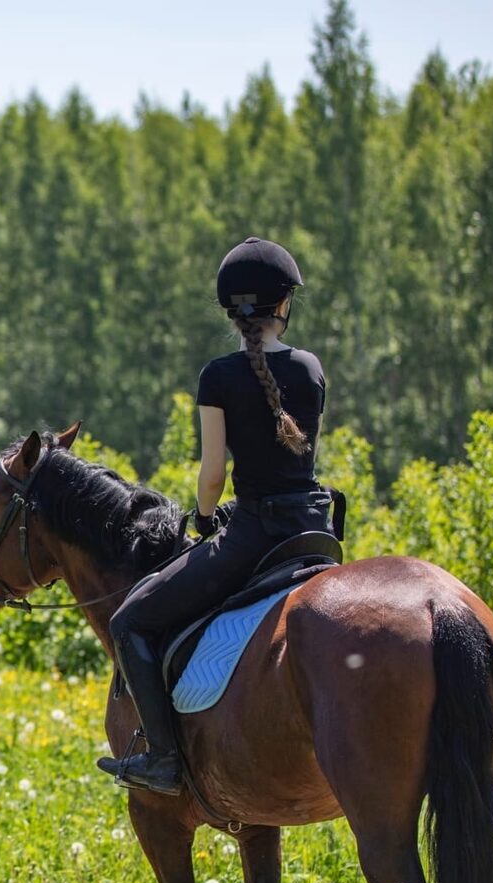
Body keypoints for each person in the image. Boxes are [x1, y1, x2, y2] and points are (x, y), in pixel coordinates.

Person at [97, 238, 334, 795]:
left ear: (231, 311)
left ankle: (163, 760)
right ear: (285, 304)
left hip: (253, 535)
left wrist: (205, 518)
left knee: (128, 623)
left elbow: (212, 476)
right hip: (314, 533)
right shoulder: (311, 367)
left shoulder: (219, 376)